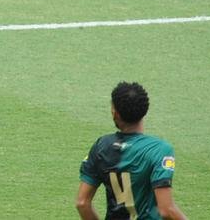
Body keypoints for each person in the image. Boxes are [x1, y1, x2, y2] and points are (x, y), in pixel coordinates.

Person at [76, 81, 187, 220]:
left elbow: (82, 203)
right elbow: (166, 209)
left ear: (115, 113)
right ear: (145, 110)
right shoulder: (159, 150)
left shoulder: (101, 146)